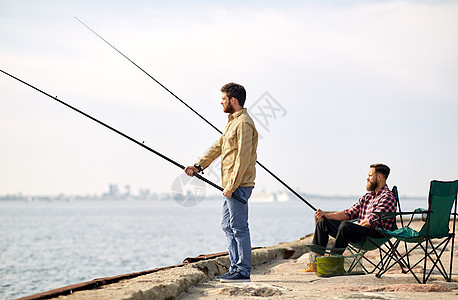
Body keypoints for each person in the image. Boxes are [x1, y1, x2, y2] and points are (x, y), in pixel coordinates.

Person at [184, 82, 258, 283]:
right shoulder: (232, 122)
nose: (221, 102)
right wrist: (199, 166)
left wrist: (232, 186)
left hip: (238, 185)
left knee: (239, 227)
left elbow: (242, 157)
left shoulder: (243, 123)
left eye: (224, 98)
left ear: (233, 100)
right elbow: (219, 146)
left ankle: (242, 271)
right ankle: (235, 268)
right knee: (227, 225)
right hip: (230, 186)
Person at [305, 163, 396, 272]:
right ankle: (315, 263)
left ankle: (333, 262)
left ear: (379, 177)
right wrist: (325, 215)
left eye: (370, 175)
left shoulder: (387, 196)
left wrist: (353, 226)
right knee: (323, 223)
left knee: (346, 226)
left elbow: (371, 221)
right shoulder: (367, 197)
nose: (367, 178)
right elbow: (348, 213)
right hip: (360, 231)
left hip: (375, 235)